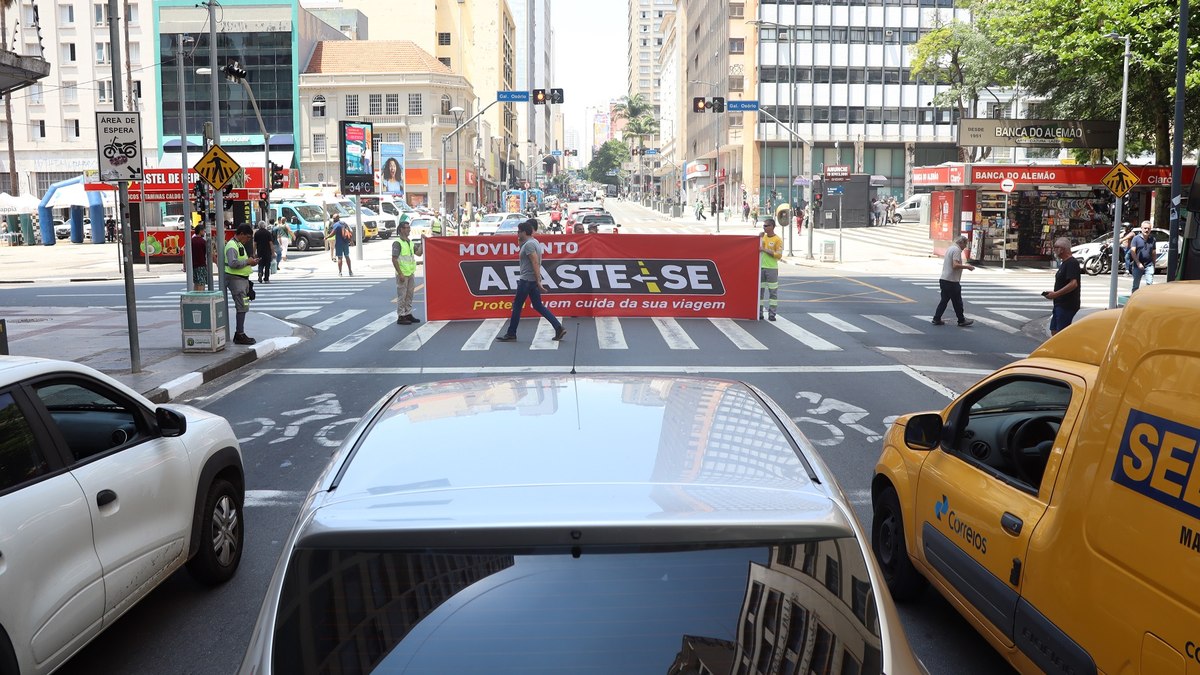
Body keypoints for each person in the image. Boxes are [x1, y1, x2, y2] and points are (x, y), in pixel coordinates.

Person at [495, 219, 567, 343]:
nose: (517, 234)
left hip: (527, 280)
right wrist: (537, 280)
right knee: (538, 305)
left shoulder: (529, 245)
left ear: (524, 232)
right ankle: (558, 327)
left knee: (517, 305)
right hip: (531, 280)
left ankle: (511, 333)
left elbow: (534, 261)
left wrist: (538, 280)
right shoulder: (533, 242)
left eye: (519, 232)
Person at [224, 223, 259, 345]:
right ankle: (239, 334)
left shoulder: (238, 244)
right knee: (241, 307)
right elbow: (233, 263)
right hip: (235, 279)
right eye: (248, 237)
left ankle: (240, 333)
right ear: (241, 234)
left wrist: (250, 262)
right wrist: (247, 261)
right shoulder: (232, 245)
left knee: (243, 306)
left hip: (241, 279)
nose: (248, 240)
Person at [932, 234, 975, 327]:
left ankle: (937, 318)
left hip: (945, 279)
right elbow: (955, 265)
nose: (965, 247)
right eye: (965, 244)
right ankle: (961, 320)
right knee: (957, 302)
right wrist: (967, 267)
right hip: (951, 281)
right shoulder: (956, 250)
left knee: (945, 300)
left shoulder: (951, 248)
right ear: (961, 243)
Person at [1043, 237, 1081, 335]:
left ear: (1062, 249)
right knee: (1054, 331)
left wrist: (1056, 294)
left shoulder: (1072, 263)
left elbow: (1073, 284)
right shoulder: (1064, 263)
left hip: (1067, 306)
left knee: (1061, 333)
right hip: (1059, 304)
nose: (1054, 249)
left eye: (1056, 247)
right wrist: (1054, 293)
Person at [392, 222, 424, 325]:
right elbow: (394, 259)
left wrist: (423, 242)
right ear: (401, 229)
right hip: (402, 274)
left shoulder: (409, 242)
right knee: (402, 295)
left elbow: (418, 253)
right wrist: (400, 273)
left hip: (410, 273)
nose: (409, 230)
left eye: (409, 228)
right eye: (406, 228)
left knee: (409, 295)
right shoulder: (398, 243)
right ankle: (401, 316)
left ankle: (408, 313)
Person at [759, 218, 784, 321]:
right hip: (761, 267)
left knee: (772, 292)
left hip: (772, 268)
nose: (764, 228)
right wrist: (759, 237)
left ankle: (772, 314)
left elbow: (779, 255)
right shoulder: (762, 237)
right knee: (760, 292)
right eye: (763, 226)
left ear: (772, 227)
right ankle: (759, 313)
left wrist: (765, 250)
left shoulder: (777, 240)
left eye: (766, 226)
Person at [1130, 221, 1155, 291]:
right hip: (1137, 265)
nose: (1147, 230)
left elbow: (1153, 253)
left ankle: (1147, 299)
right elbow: (1132, 251)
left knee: (1149, 283)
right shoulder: (1136, 239)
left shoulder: (1152, 239)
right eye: (1145, 228)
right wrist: (1138, 263)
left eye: (1148, 228)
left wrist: (1154, 265)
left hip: (1149, 264)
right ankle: (1134, 299)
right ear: (1141, 229)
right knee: (1136, 285)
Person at [190, 223, 209, 291]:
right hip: (201, 265)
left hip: (193, 266)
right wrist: (216, 262)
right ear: (200, 231)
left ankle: (196, 300)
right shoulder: (203, 242)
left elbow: (184, 254)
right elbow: (210, 253)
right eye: (204, 231)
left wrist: (185, 266)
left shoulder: (191, 241)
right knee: (201, 284)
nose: (204, 232)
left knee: (196, 284)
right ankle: (201, 300)